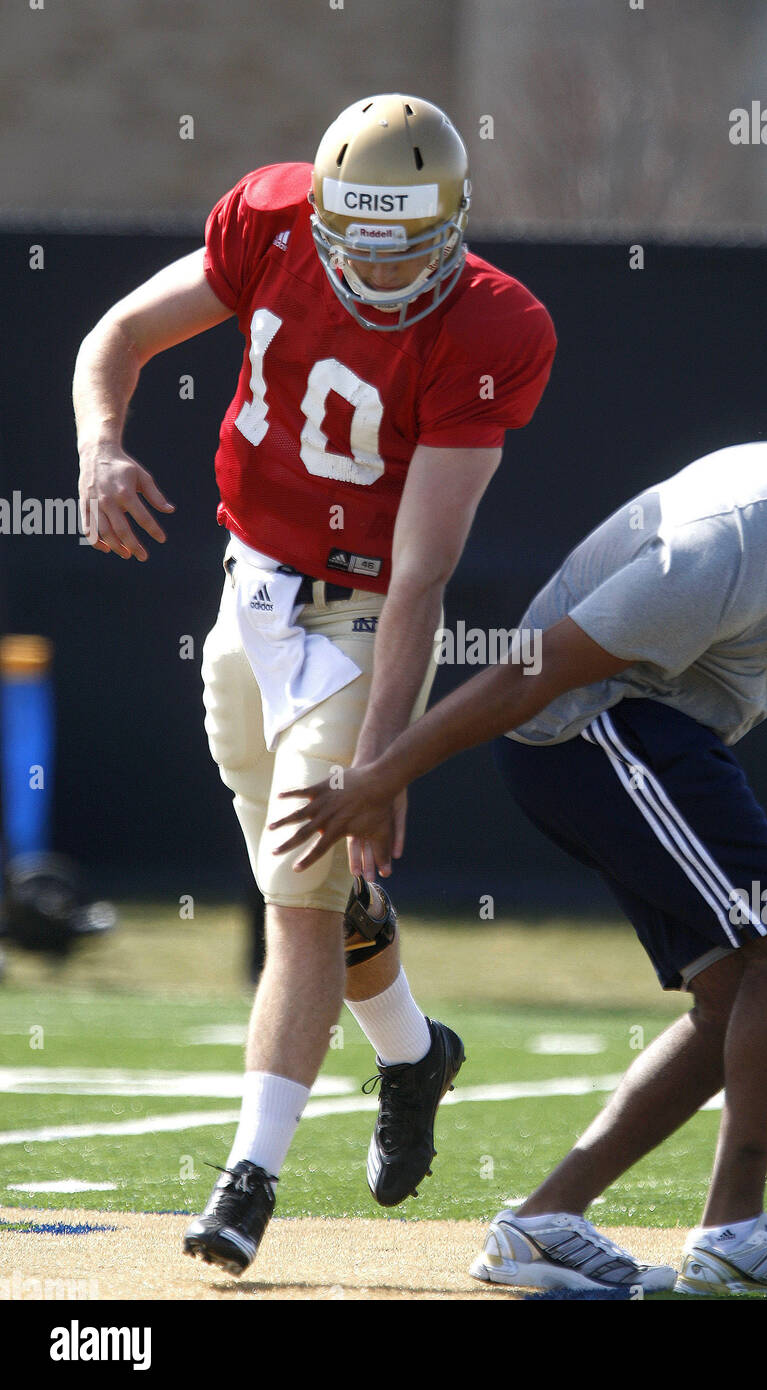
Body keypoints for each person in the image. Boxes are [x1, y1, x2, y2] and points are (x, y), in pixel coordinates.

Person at [271, 375, 767, 1295]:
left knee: (739, 990)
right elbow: (537, 672)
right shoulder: (730, 544)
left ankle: (542, 1223)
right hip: (587, 730)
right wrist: (383, 774)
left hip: (644, 729)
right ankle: (733, 1229)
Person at [73, 93, 556, 1276]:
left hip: (363, 620)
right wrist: (99, 446)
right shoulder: (274, 219)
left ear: (452, 227)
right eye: (363, 243)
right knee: (317, 889)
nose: (382, 272)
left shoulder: (495, 325)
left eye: (409, 246)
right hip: (253, 590)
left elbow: (422, 571)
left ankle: (250, 1177)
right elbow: (117, 337)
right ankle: (411, 1052)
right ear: (328, 218)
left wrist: (386, 753)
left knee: (296, 900)